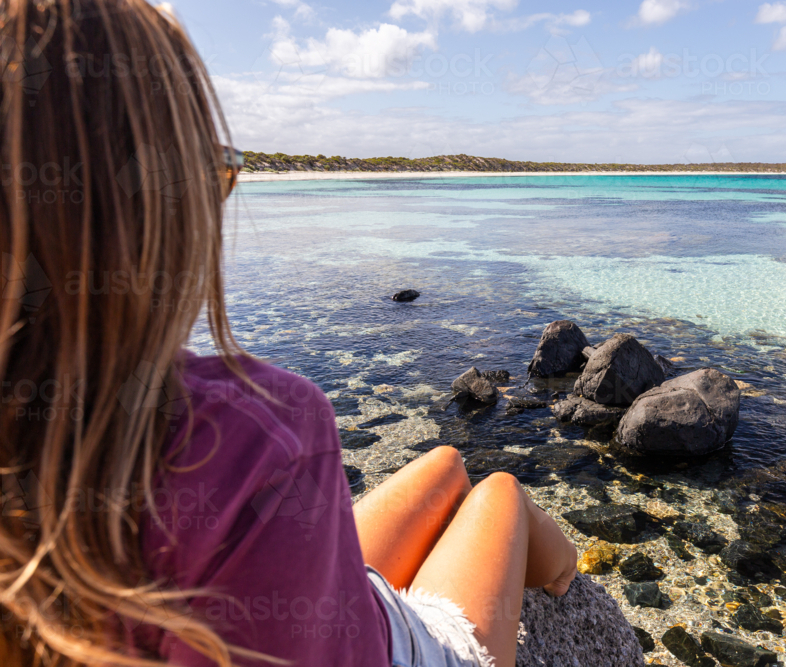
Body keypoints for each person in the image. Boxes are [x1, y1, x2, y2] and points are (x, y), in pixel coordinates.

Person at [0, 1, 577, 666]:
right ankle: (573, 583)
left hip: (344, 602)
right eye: (214, 177)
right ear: (164, 210)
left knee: (447, 464)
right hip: (385, 642)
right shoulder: (263, 435)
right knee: (499, 490)